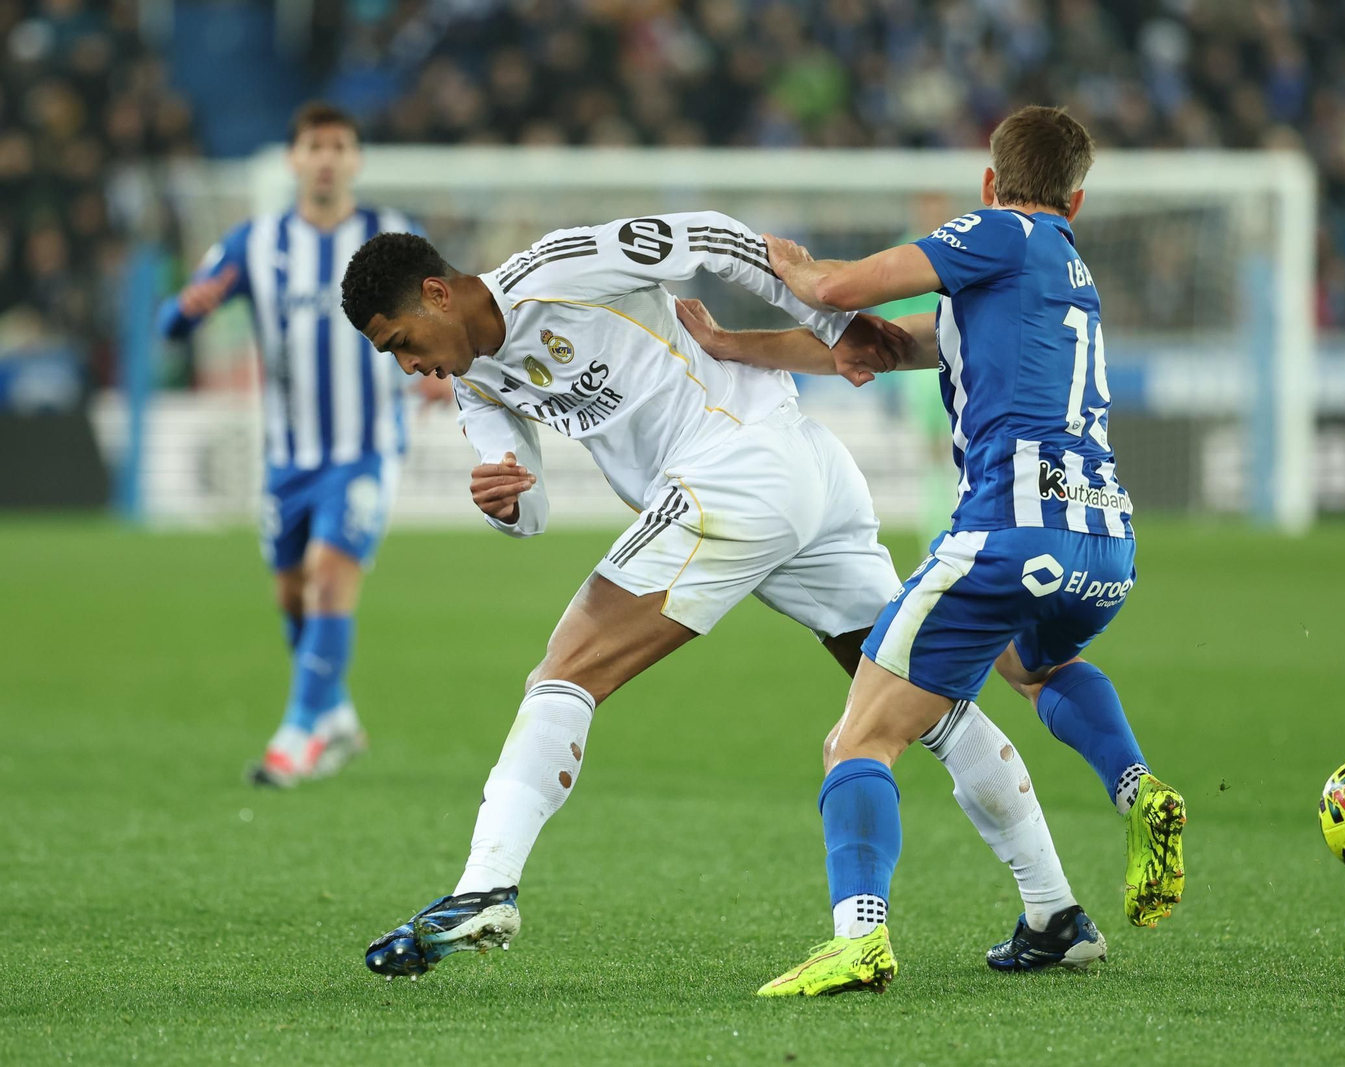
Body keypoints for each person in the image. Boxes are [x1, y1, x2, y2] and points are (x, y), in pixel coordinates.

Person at [338, 211, 1103, 979]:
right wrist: (506, 504)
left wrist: (831, 322)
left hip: (735, 467)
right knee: (916, 696)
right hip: (796, 470)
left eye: (401, 342)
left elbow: (706, 237)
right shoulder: (475, 379)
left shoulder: (557, 270)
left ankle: (484, 886)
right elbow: (527, 509)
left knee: (565, 671)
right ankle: (1055, 910)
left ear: (437, 293)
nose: (410, 366)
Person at [734, 105, 1186, 997]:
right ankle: (1130, 794)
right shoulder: (1066, 273)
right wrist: (731, 346)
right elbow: (894, 345)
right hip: (1104, 537)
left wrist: (796, 268)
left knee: (859, 734)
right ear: (1079, 198)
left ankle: (859, 937)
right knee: (1033, 664)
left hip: (1005, 531)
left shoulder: (998, 231)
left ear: (991, 182)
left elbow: (843, 293)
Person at [156, 102, 435, 786]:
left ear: (356, 159)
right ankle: (334, 711)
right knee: (291, 594)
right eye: (315, 145)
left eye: (340, 145)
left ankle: (295, 736)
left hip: (367, 445)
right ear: (293, 159)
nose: (327, 158)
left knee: (330, 575)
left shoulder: (392, 235)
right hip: (288, 454)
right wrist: (185, 313)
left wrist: (446, 373)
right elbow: (174, 320)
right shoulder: (255, 241)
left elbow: (446, 310)